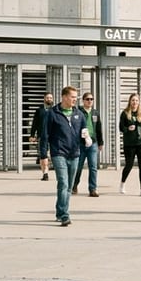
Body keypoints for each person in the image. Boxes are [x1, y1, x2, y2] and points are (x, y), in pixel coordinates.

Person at [45, 86, 87, 227]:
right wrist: (43, 154)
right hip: (59, 153)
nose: (75, 99)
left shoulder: (79, 114)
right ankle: (64, 215)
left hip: (74, 153)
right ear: (64, 97)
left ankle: (59, 210)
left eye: (76, 97)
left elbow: (83, 130)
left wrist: (86, 139)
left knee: (68, 186)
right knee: (63, 183)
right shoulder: (53, 113)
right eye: (72, 97)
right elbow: (45, 135)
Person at [118, 93, 141, 196]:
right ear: (130, 101)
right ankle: (122, 184)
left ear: (139, 102)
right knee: (129, 165)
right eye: (133, 100)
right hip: (129, 143)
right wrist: (127, 129)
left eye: (136, 100)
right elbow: (121, 128)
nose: (135, 102)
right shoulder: (125, 113)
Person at [72, 91, 102, 197]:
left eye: (91, 99)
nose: (90, 101)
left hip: (93, 143)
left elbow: (99, 128)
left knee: (93, 167)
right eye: (87, 99)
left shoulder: (95, 113)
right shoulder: (77, 112)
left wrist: (100, 142)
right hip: (80, 143)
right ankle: (74, 185)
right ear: (83, 100)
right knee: (78, 166)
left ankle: (92, 189)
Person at [29, 92, 54, 181]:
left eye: (51, 98)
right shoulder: (39, 110)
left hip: (53, 136)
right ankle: (45, 173)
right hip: (42, 136)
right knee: (43, 155)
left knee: (53, 154)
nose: (49, 99)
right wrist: (32, 135)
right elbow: (34, 123)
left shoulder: (55, 110)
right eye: (47, 98)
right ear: (44, 99)